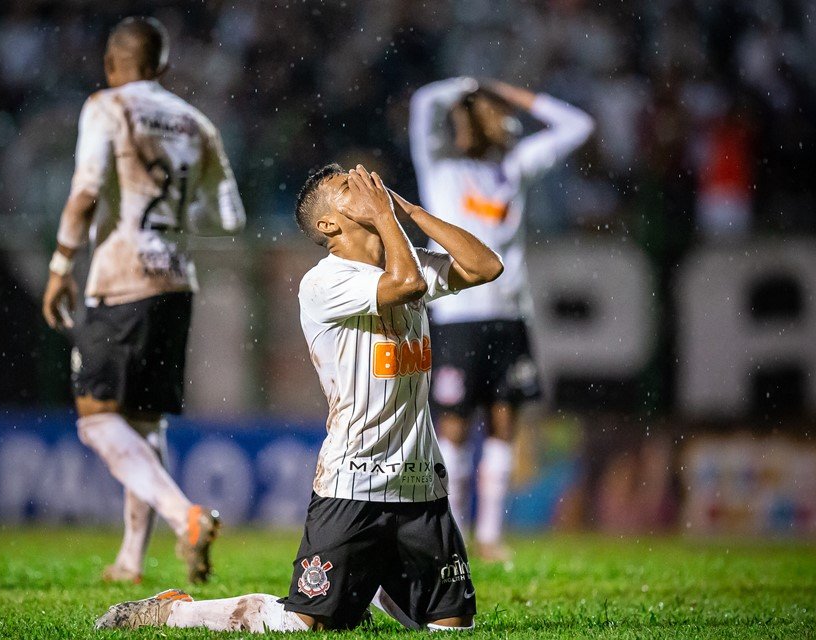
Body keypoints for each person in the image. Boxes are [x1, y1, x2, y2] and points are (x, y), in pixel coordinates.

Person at [93, 163, 503, 632]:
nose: (368, 185)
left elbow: (486, 266)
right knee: (304, 624)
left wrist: (411, 212)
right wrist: (388, 219)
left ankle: (369, 585)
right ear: (329, 224)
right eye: (350, 187)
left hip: (421, 485)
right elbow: (407, 284)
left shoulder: (405, 258)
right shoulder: (326, 282)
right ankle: (176, 610)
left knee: (455, 629)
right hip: (355, 481)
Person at [41, 16, 245, 585]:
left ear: (112, 64)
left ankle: (186, 516)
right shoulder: (196, 122)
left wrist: (60, 267)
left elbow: (84, 194)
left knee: (96, 420)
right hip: (177, 282)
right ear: (163, 67)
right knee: (145, 421)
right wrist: (177, 220)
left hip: (120, 277)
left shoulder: (106, 106)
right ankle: (131, 559)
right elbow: (231, 217)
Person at [409, 78, 594, 562]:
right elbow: (424, 103)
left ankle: (490, 535)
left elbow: (579, 125)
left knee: (503, 421)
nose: (501, 121)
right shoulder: (440, 169)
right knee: (452, 426)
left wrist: (510, 92)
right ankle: (456, 533)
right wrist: (471, 86)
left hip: (509, 314)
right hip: (456, 315)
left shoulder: (513, 169)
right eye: (488, 113)